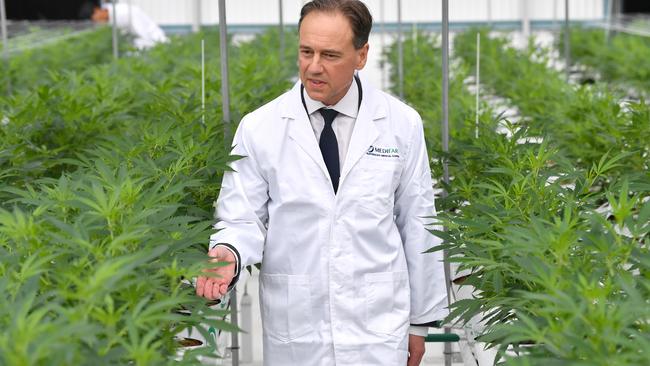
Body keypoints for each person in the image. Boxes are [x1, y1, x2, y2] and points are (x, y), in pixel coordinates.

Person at [196, 0, 448, 365]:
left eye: (330, 55)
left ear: (361, 55)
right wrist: (229, 253)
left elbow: (418, 220)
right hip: (297, 323)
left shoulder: (400, 123)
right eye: (306, 51)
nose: (314, 67)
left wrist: (420, 323)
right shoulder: (261, 127)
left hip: (377, 324)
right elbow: (240, 217)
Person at [87, 1, 168, 50]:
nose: (97, 21)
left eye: (94, 18)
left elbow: (141, 30)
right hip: (138, 41)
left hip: (152, 38)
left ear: (97, 10)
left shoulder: (122, 12)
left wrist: (147, 42)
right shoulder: (111, 16)